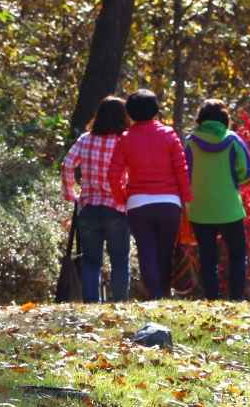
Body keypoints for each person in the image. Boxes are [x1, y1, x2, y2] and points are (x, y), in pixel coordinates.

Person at [110, 89, 191, 301]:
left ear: (130, 113)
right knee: (165, 252)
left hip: (138, 203)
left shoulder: (125, 138)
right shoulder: (169, 134)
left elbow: (113, 174)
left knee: (146, 251)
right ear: (156, 110)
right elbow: (181, 170)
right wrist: (187, 199)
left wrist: (121, 198)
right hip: (169, 203)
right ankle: (164, 293)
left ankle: (154, 295)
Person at [60, 96, 132, 303]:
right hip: (117, 207)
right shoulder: (124, 140)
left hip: (89, 206)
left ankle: (91, 302)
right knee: (120, 259)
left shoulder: (85, 139)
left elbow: (67, 165)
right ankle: (120, 302)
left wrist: (71, 194)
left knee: (91, 261)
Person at [185, 100, 250, 301]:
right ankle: (236, 298)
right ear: (224, 118)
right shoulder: (233, 140)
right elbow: (247, 171)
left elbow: (184, 173)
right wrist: (233, 181)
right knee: (237, 255)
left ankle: (211, 299)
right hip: (230, 208)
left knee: (207, 258)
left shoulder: (190, 142)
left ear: (200, 119)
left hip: (199, 209)